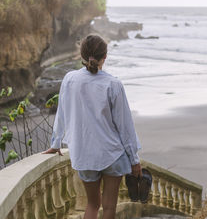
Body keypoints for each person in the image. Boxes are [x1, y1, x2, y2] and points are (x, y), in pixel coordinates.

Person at [43, 34, 142, 219]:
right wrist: (134, 159)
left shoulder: (69, 80)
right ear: (105, 57)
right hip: (112, 154)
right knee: (109, 207)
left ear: (81, 55)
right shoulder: (113, 84)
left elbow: (62, 113)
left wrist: (56, 143)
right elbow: (125, 126)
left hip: (83, 154)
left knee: (92, 204)